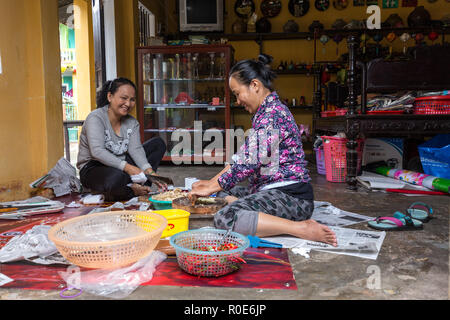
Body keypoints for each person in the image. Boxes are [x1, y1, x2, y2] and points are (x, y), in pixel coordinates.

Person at [189, 55, 337, 246]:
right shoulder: (264, 114)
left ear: (255, 85)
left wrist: (211, 186)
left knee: (225, 217)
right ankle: (250, 213)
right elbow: (239, 159)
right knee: (220, 194)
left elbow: (248, 162)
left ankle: (301, 228)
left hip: (291, 197)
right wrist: (210, 184)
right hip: (267, 190)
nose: (237, 100)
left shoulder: (273, 114)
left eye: (237, 93)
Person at [77, 77, 167, 201]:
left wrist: (150, 172)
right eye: (124, 98)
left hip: (120, 165)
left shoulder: (132, 122)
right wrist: (128, 168)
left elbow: (135, 149)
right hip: (93, 168)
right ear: (110, 97)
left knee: (158, 144)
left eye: (132, 100)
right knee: (116, 178)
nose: (128, 104)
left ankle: (141, 187)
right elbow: (97, 151)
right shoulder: (95, 118)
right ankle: (130, 190)